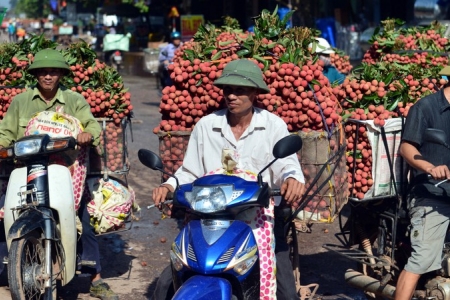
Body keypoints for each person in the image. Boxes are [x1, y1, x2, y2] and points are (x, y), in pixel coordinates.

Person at [152, 59, 306, 299]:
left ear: (255, 93)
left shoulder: (273, 125)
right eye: (227, 90)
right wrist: (169, 184)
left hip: (258, 218)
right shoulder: (207, 125)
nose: (231, 96)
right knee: (166, 284)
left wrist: (292, 178)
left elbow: (287, 164)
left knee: (285, 290)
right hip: (211, 217)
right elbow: (189, 170)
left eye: (240, 90)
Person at [0, 49, 118, 300]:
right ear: (36, 75)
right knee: (5, 213)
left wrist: (87, 134)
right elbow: (5, 132)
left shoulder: (74, 100)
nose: (47, 76)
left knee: (84, 220)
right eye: (42, 72)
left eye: (53, 71)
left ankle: (95, 277)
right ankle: (11, 267)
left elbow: (92, 125)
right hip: (26, 169)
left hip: (67, 171)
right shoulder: (21, 101)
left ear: (61, 75)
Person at [394, 65, 450, 300]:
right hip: (431, 194)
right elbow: (407, 147)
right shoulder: (426, 107)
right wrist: (430, 167)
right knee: (421, 259)